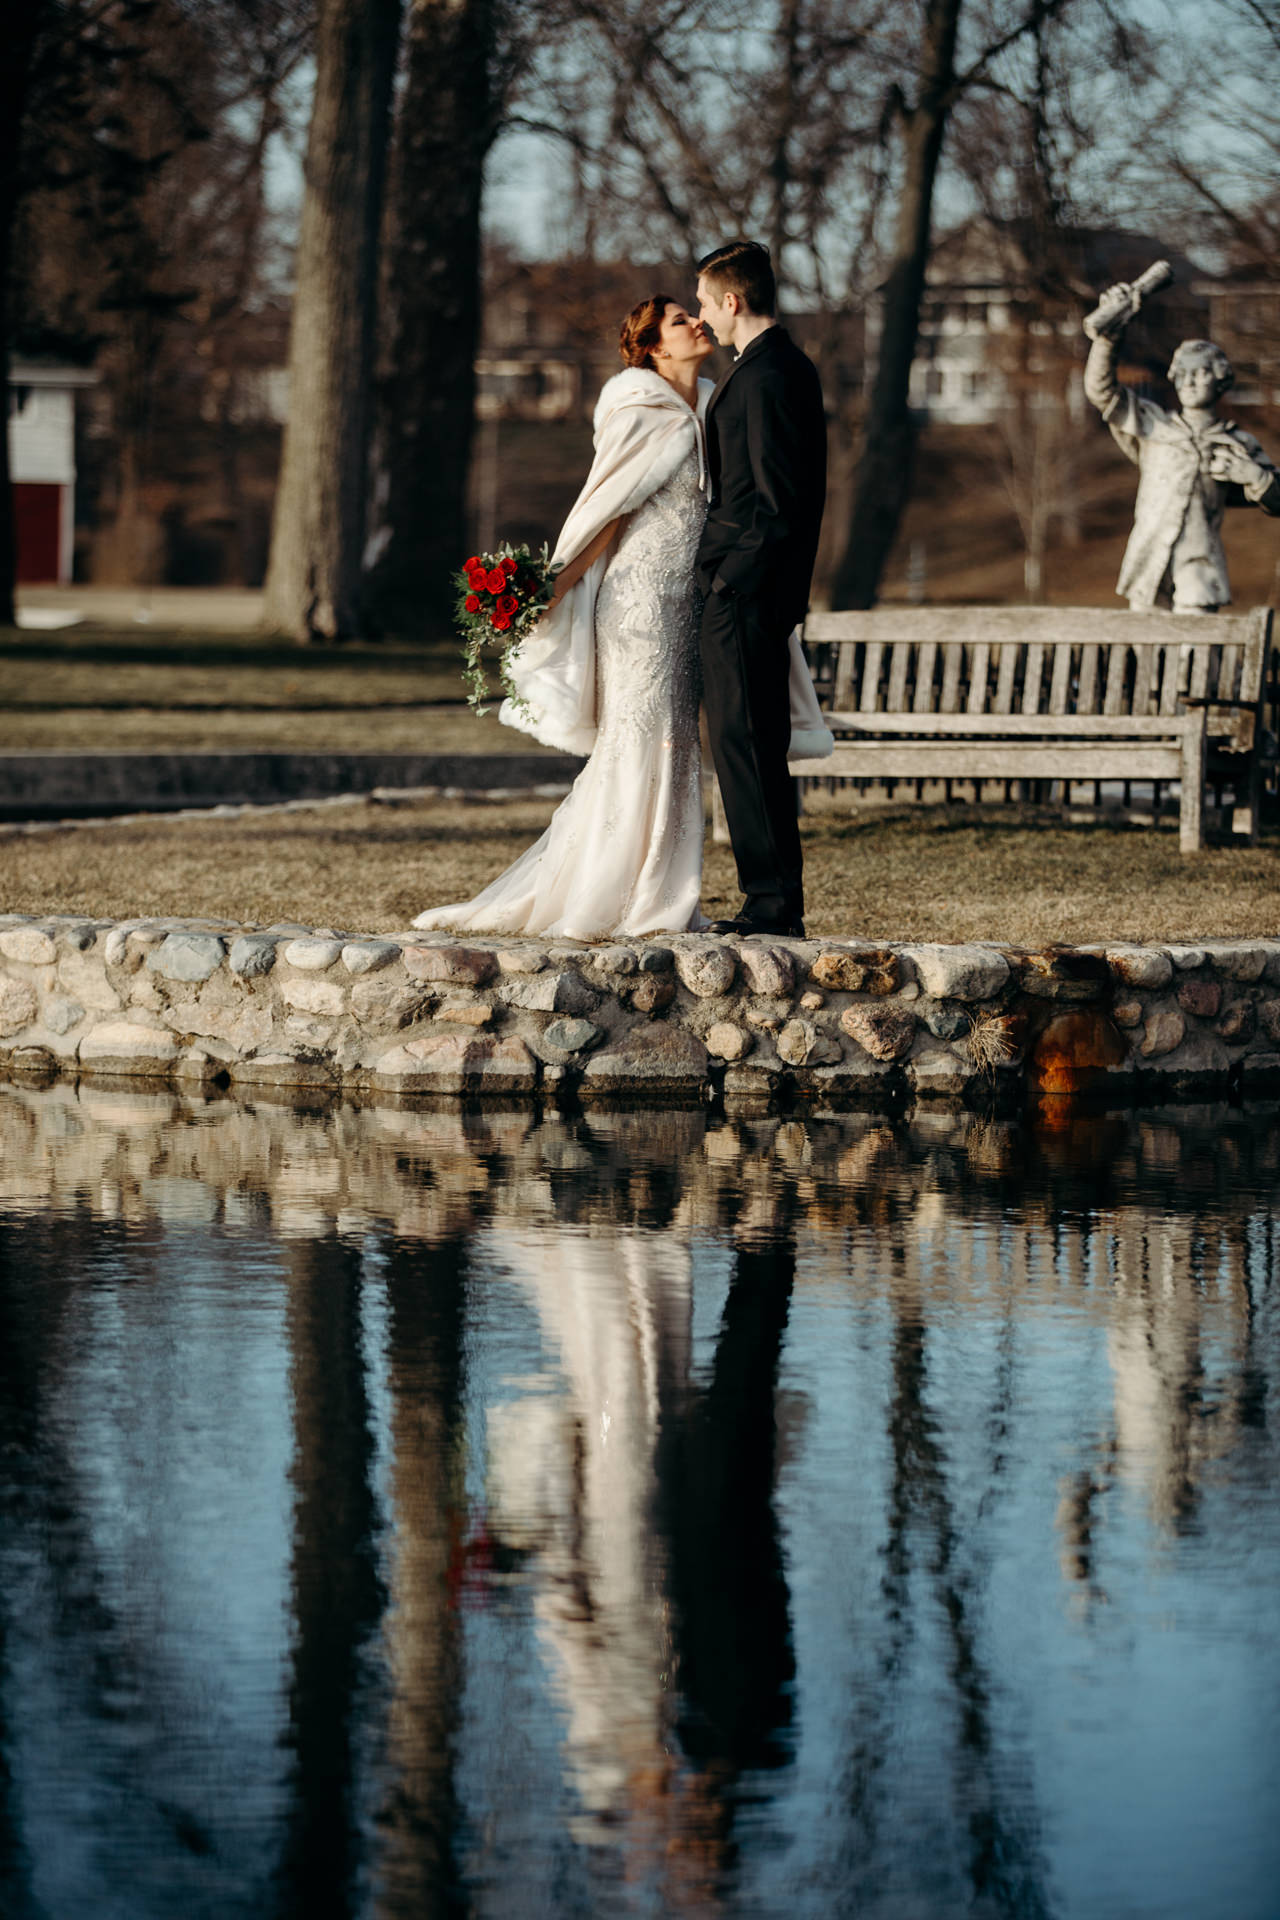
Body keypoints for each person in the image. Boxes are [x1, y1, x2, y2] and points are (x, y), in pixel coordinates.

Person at [413, 296, 832, 941]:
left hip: (697, 597)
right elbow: (605, 509)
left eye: (695, 313)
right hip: (641, 601)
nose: (696, 322)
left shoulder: (714, 402)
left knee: (682, 744)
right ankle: (632, 896)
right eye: (677, 320)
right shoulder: (640, 411)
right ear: (655, 347)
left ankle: (662, 890)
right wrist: (551, 588)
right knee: (646, 737)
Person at [695, 241, 827, 938]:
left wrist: (726, 582)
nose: (700, 316)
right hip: (743, 591)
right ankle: (769, 900)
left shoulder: (772, 375)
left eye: (704, 302)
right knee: (742, 746)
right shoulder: (765, 368)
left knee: (746, 745)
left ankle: (773, 906)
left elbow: (780, 504)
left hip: (747, 594)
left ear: (732, 301)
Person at [1084, 282, 1280, 612]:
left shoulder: (1235, 443)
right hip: (1149, 564)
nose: (1189, 382)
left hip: (1199, 568)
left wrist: (1253, 476)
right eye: (1183, 373)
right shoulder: (1153, 426)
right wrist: (1108, 339)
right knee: (1148, 654)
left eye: (1200, 373)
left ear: (1220, 379)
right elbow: (1101, 391)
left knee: (1199, 654)